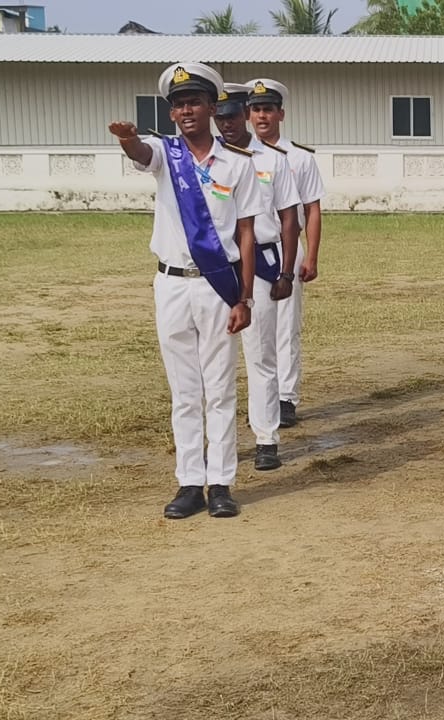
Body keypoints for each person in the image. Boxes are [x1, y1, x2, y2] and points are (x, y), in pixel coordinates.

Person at [108, 63, 265, 519]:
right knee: (184, 390)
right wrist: (126, 139)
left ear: (212, 107)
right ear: (172, 113)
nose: (186, 110)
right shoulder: (165, 154)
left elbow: (248, 233)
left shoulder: (238, 165)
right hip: (172, 284)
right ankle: (189, 483)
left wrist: (245, 297)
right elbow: (140, 152)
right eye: (178, 105)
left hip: (218, 286)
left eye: (194, 101)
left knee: (219, 388)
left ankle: (221, 483)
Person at [214, 82, 302, 471]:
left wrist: (286, 271)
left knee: (261, 356)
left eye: (233, 115)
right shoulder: (207, 160)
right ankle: (221, 443)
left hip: (263, 265)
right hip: (216, 266)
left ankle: (266, 438)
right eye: (220, 117)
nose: (226, 124)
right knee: (215, 362)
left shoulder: (272, 159)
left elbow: (289, 219)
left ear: (246, 114)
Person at [246, 78, 325, 429]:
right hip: (248, 251)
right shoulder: (238, 155)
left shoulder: (299, 158)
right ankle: (261, 397)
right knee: (254, 328)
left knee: (285, 327)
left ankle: (287, 397)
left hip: (284, 249)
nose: (262, 116)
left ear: (281, 114)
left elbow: (313, 210)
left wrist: (311, 257)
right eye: (256, 109)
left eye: (268, 109)